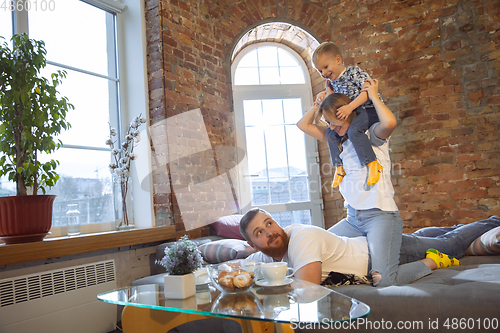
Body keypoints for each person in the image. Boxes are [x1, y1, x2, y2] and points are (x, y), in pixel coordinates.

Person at [296, 78, 444, 287]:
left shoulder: (369, 135)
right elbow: (303, 125)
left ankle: (434, 261)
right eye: (327, 123)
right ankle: (427, 241)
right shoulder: (337, 138)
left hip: (380, 217)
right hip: (353, 218)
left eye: (334, 121)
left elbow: (389, 123)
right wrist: (317, 105)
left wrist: (373, 95)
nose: (331, 127)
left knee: (383, 281)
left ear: (346, 114)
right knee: (318, 248)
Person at [239, 207, 500, 286]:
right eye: (260, 233)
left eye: (270, 223)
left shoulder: (300, 238)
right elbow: (244, 267)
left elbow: (307, 288)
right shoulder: (273, 256)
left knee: (451, 245)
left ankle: (494, 221)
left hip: (382, 253)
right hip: (375, 247)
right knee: (426, 237)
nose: (270, 233)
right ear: (253, 244)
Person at [311, 42, 382, 187]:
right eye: (320, 71)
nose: (324, 73)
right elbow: (332, 99)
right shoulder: (332, 81)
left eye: (326, 67)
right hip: (354, 112)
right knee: (331, 134)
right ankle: (339, 166)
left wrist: (349, 107)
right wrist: (325, 94)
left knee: (354, 131)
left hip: (367, 109)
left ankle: (372, 163)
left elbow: (368, 92)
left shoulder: (354, 73)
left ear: (338, 59)